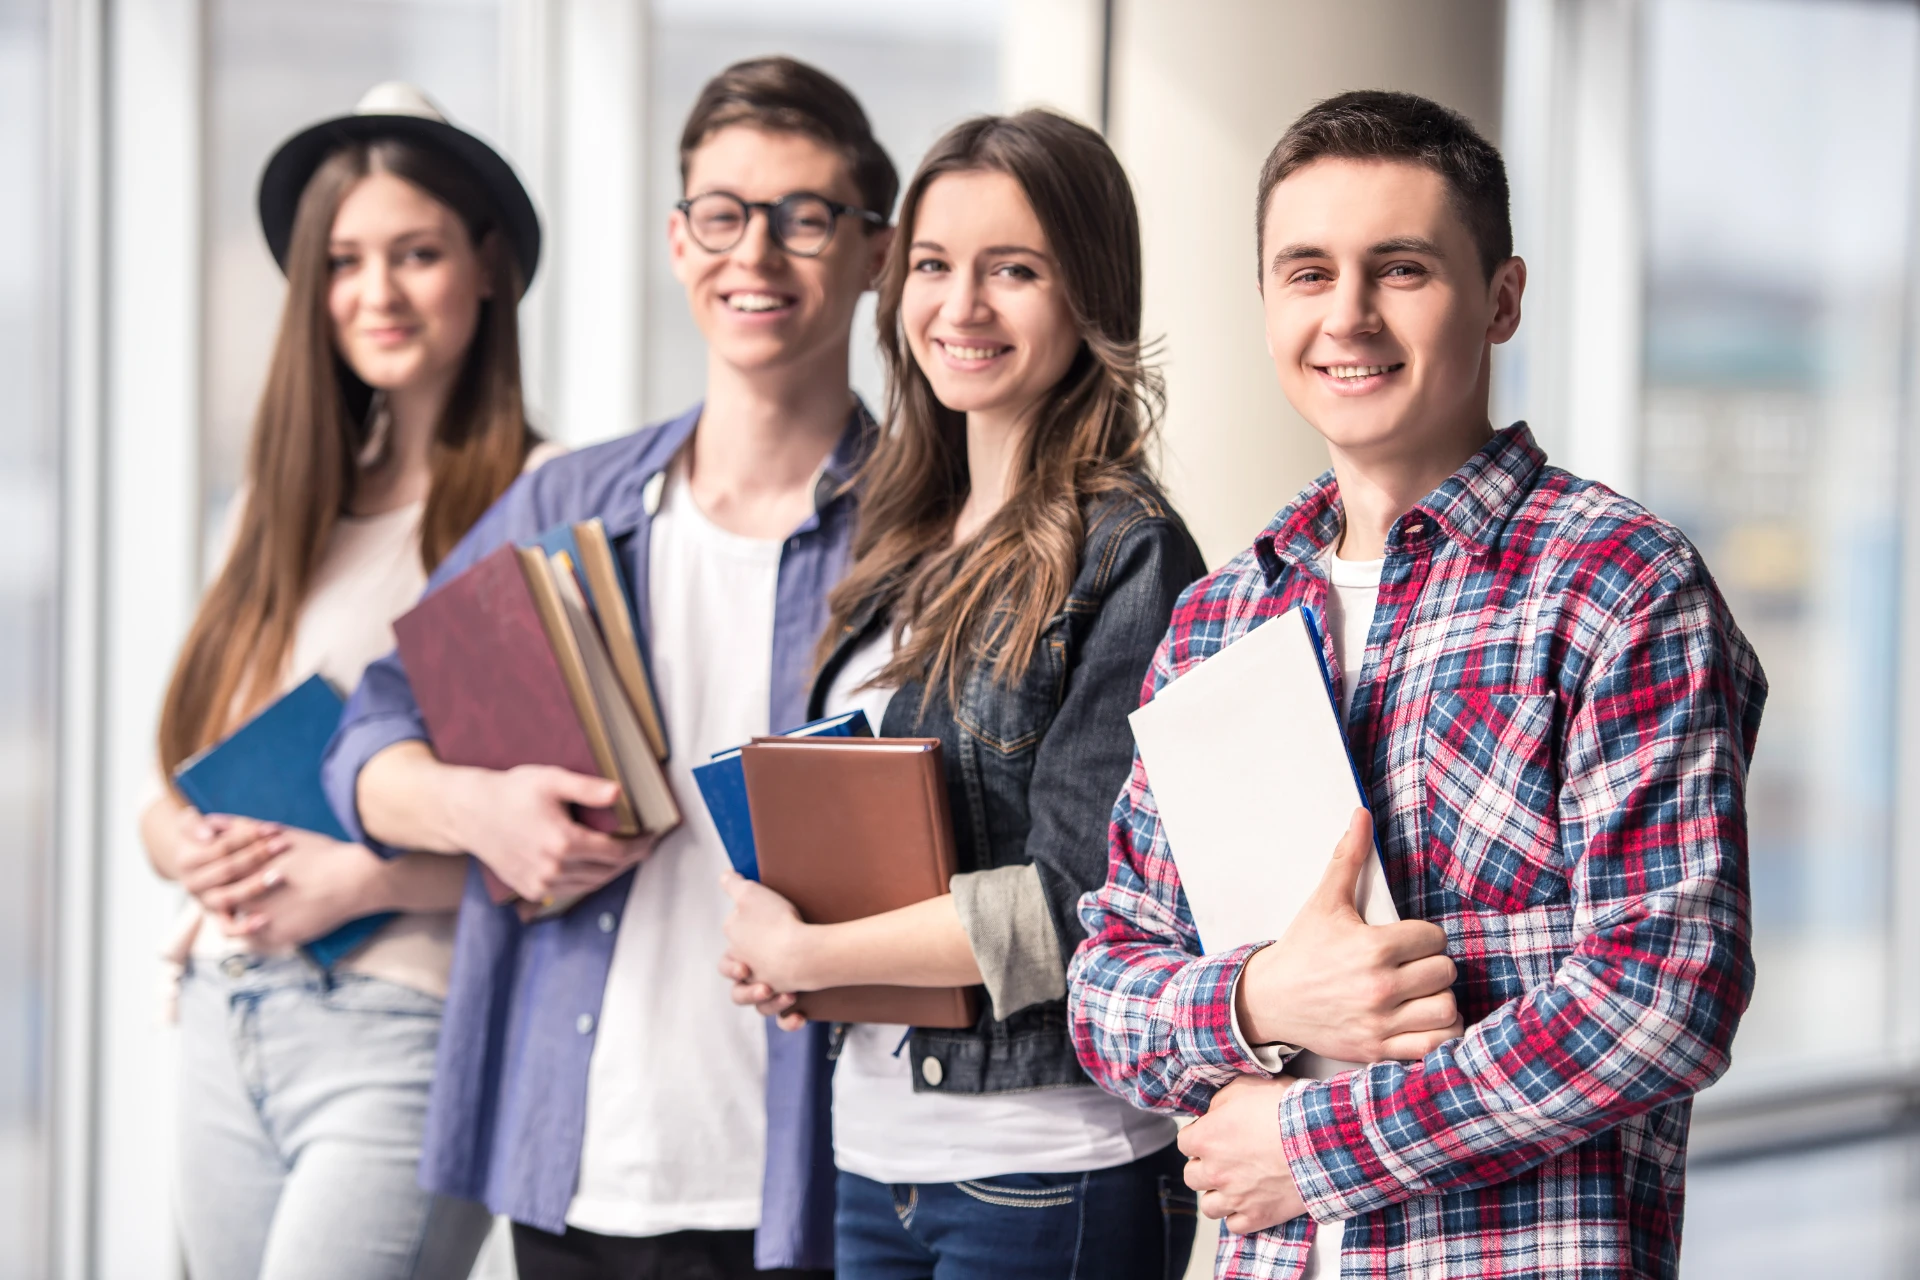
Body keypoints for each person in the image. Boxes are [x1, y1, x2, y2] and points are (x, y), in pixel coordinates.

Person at [1068, 90, 1766, 1280]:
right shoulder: (1219, 618)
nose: (1348, 316)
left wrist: (1317, 1140)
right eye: (1306, 272)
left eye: (1400, 268)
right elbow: (1107, 983)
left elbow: (1665, 989)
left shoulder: (1618, 584)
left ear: (1500, 299)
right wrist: (1259, 999)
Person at [320, 57, 895, 1279]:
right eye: (724, 215)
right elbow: (368, 733)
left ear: (875, 252)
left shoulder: (926, 532)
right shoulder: (565, 502)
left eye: (805, 217)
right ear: (680, 243)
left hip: (818, 1177)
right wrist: (476, 809)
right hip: (577, 1159)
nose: (759, 255)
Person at [717, 109, 1208, 1280]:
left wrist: (817, 953)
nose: (962, 306)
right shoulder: (899, 528)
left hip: (1046, 1164)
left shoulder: (1128, 551)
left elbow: (1075, 904)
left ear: (1089, 294)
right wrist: (799, 947)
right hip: (874, 1150)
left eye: (1014, 270)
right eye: (934, 265)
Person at [141, 83, 557, 1280]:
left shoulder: (536, 502)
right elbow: (163, 790)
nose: (375, 293)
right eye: (345, 260)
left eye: (415, 254)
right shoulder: (275, 511)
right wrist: (186, 846)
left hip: (407, 1022)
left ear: (486, 267)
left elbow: (571, 836)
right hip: (228, 1014)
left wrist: (350, 878)